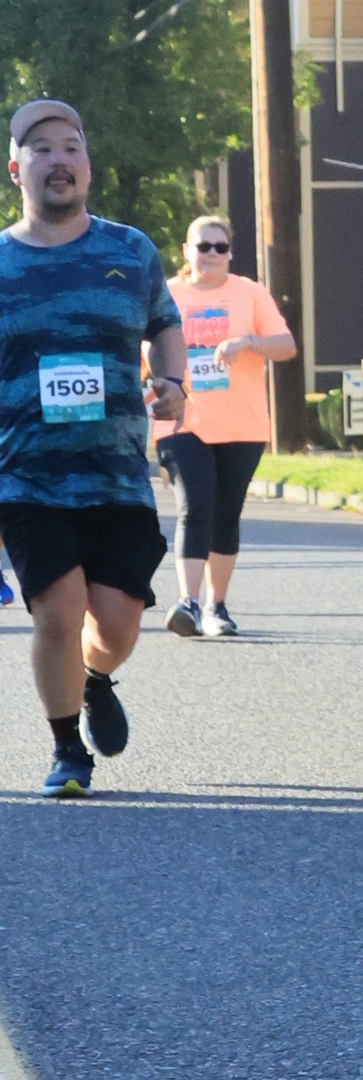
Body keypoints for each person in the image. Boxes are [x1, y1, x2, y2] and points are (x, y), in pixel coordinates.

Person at [0, 99, 184, 797]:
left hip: (115, 473)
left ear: (87, 164)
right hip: (27, 473)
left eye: (71, 146)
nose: (59, 160)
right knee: (57, 612)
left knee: (116, 622)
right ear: (16, 169)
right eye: (42, 148)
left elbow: (165, 324)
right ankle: (65, 749)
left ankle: (97, 677)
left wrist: (172, 383)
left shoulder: (130, 251)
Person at [159, 211, 296, 634]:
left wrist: (249, 342)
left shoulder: (249, 293)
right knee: (195, 504)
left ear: (230, 254)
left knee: (226, 512)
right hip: (182, 421)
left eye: (220, 247)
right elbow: (144, 346)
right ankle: (188, 602)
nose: (212, 254)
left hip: (242, 424)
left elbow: (286, 346)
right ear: (187, 251)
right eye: (203, 246)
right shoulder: (167, 294)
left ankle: (215, 607)